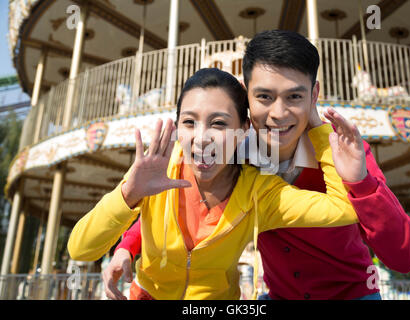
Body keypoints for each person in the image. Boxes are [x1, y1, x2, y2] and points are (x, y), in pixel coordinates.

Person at [105, 30, 410, 300]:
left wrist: (360, 183)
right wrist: (127, 246)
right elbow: (181, 202)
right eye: (265, 97)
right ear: (246, 94)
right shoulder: (236, 149)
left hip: (353, 293)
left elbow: (403, 257)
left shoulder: (345, 149)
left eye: (295, 97)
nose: (278, 113)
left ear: (315, 95)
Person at [68, 68, 366, 300]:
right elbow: (80, 249)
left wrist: (317, 128)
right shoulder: (155, 173)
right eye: (189, 122)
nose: (201, 137)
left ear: (243, 129)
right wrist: (127, 195)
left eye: (219, 123)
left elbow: (343, 209)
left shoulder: (260, 193)